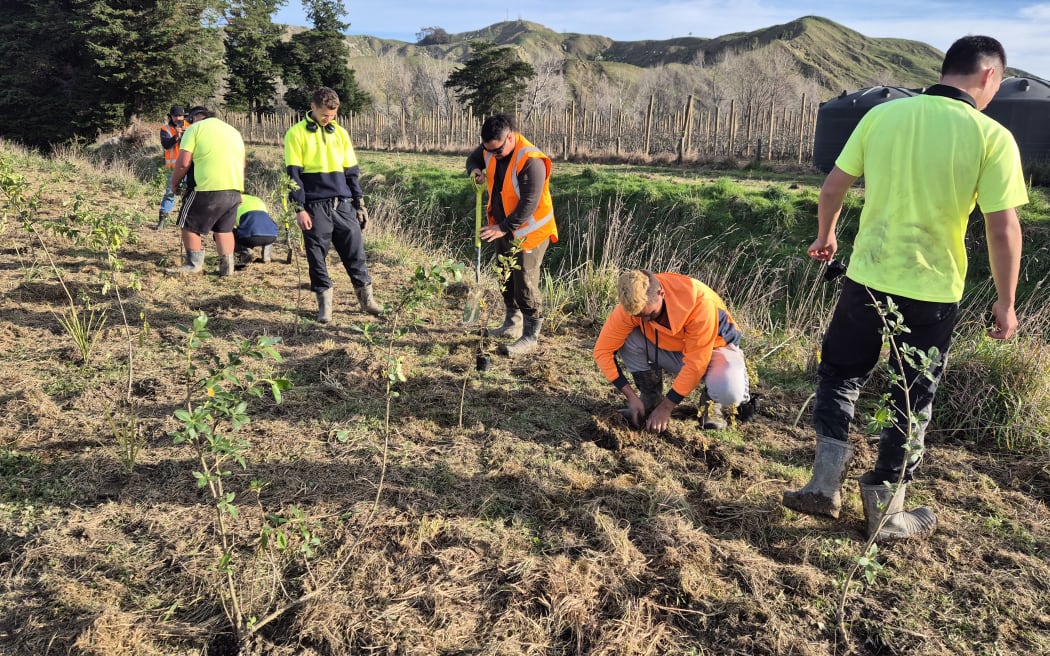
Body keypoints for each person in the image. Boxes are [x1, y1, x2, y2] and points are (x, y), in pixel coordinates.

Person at [782, 36, 1027, 543]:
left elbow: (833, 187)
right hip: (933, 291)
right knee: (912, 395)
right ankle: (886, 509)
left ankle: (824, 487)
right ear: (989, 77)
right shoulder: (992, 136)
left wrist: (826, 236)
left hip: (866, 277)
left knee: (840, 375)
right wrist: (1006, 302)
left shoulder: (881, 116)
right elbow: (1002, 229)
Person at [593, 270, 750, 433]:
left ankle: (711, 406)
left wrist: (666, 408)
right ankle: (650, 398)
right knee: (628, 338)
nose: (644, 320)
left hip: (715, 351)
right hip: (676, 350)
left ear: (661, 293)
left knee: (730, 391)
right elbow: (602, 351)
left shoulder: (699, 302)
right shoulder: (634, 305)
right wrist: (631, 396)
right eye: (639, 316)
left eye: (649, 315)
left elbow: (696, 365)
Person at [284, 87, 382, 322]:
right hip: (314, 206)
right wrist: (299, 209)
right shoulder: (296, 134)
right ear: (314, 107)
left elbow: (352, 173)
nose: (330, 119)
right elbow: (293, 176)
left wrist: (360, 203)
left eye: (334, 115)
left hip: (343, 205)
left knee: (355, 252)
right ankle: (325, 306)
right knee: (316, 257)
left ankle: (367, 300)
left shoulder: (340, 134)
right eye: (325, 115)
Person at [466, 114, 558, 356]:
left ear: (509, 137)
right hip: (504, 228)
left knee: (524, 282)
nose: (492, 156)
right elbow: (475, 157)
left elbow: (528, 204)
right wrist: (475, 170)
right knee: (504, 276)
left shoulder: (530, 160)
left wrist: (502, 228)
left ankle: (530, 337)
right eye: (489, 150)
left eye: (497, 151)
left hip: (530, 232)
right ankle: (512, 325)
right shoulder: (490, 148)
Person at [167, 106, 245, 276]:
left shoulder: (195, 129)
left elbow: (183, 162)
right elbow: (242, 163)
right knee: (224, 229)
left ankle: (193, 265)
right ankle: (227, 268)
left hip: (205, 187)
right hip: (233, 188)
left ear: (195, 117)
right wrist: (239, 190)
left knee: (188, 224)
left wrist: (175, 183)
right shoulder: (233, 131)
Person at [155, 105, 188, 230]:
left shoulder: (190, 127)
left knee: (189, 193)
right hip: (173, 167)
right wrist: (176, 137)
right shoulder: (165, 129)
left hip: (189, 166)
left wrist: (185, 134)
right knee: (170, 193)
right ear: (171, 116)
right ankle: (162, 221)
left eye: (180, 116)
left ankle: (186, 222)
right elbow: (166, 145)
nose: (178, 118)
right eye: (175, 116)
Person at [234, 194, 279, 269]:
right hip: (271, 235)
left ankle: (245, 252)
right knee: (265, 228)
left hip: (249, 237)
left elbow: (231, 225)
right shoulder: (258, 200)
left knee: (228, 232)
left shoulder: (236, 200)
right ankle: (266, 256)